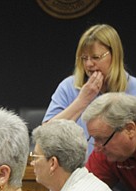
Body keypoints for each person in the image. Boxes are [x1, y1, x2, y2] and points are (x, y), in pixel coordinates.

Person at [44, 24, 136, 155]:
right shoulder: (69, 86)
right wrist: (82, 100)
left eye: (95, 57)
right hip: (80, 170)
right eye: (84, 58)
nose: (88, 64)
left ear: (114, 55)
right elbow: (45, 137)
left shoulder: (133, 87)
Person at [82, 92, 136, 191]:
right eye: (93, 139)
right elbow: (81, 190)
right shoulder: (105, 153)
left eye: (101, 139)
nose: (97, 147)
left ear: (130, 129)